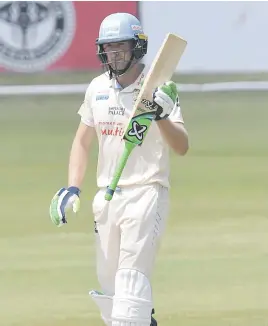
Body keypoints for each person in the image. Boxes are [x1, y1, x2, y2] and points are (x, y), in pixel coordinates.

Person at [49, 12, 189, 326]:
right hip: (107, 198)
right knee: (112, 297)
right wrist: (73, 186)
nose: (114, 54)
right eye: (109, 48)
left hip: (145, 193)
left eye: (120, 47)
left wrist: (161, 115)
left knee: (131, 290)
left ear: (137, 47)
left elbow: (181, 147)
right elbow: (82, 142)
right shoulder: (97, 88)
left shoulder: (158, 89)